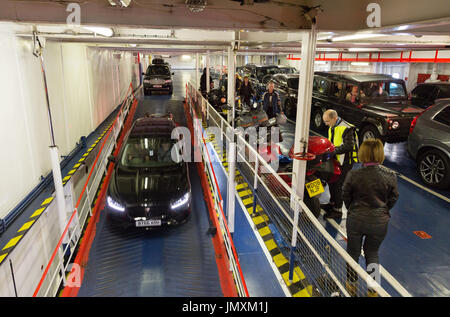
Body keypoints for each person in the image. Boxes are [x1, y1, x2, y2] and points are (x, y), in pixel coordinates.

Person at [342, 139, 399, 297]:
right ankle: (373, 290)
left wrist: (352, 209)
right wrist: (383, 210)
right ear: (380, 154)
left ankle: (351, 286)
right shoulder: (390, 175)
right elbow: (394, 198)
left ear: (363, 153)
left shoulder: (353, 174)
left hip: (356, 220)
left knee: (353, 253)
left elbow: (345, 195)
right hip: (379, 223)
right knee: (372, 253)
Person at [321, 109, 358, 219]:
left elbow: (349, 146)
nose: (326, 124)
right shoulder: (333, 127)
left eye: (327, 121)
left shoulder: (347, 128)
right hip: (336, 160)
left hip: (345, 162)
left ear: (334, 118)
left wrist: (333, 151)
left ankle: (337, 210)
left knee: (337, 184)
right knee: (332, 182)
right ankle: (332, 204)